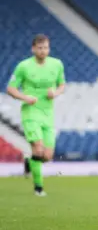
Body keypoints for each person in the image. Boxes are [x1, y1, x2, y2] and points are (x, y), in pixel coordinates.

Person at [6, 34, 66, 196]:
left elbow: (62, 85)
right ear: (33, 49)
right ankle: (38, 188)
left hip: (48, 113)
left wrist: (56, 93)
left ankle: (28, 162)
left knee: (47, 156)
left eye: (45, 47)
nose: (43, 51)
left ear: (49, 48)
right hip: (30, 112)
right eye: (39, 48)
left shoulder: (57, 64)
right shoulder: (23, 66)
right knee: (38, 148)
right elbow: (10, 89)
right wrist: (25, 97)